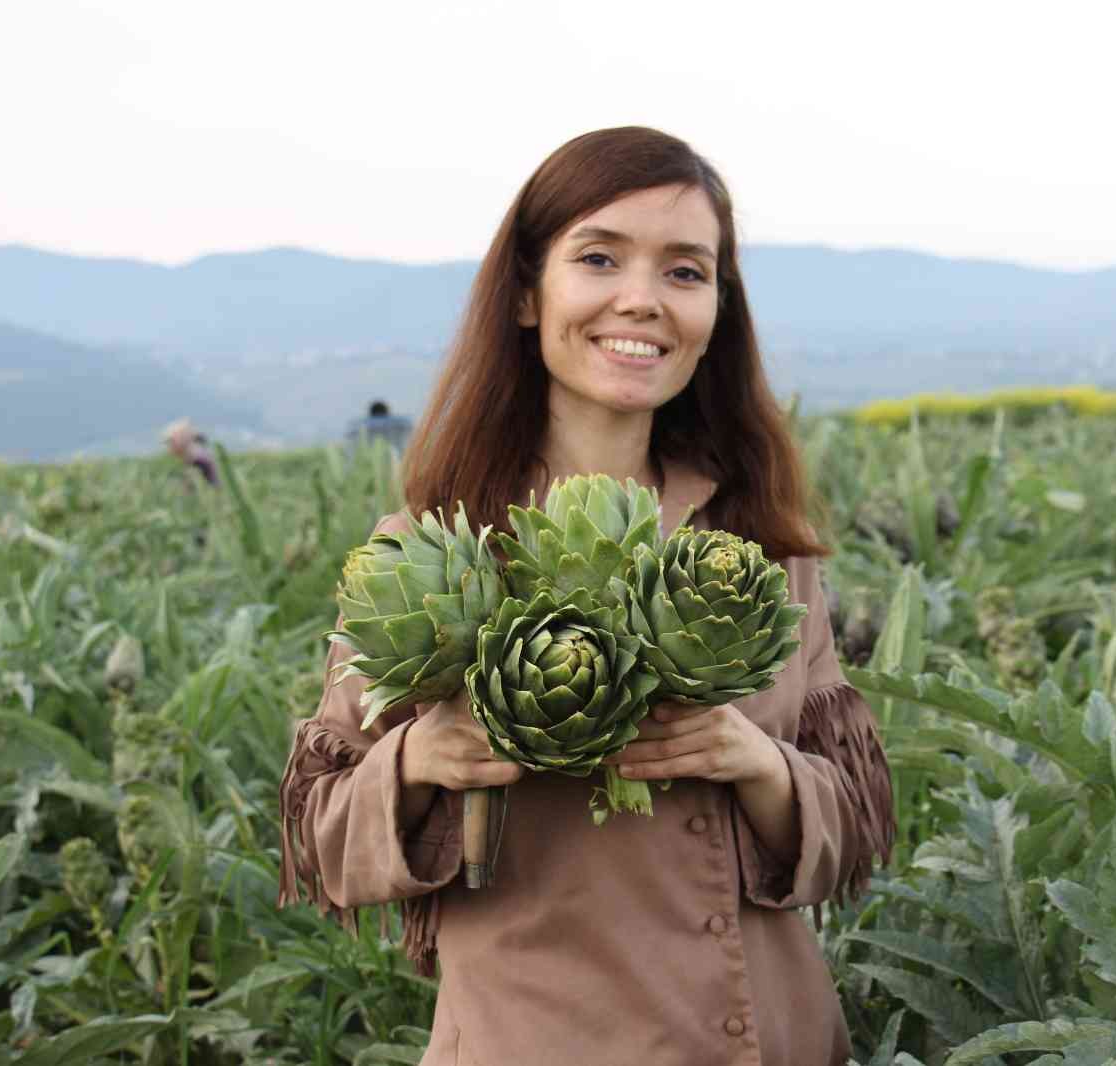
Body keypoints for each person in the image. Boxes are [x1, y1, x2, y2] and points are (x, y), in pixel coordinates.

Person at [277, 127, 894, 1066]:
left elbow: (855, 829)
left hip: (774, 1038)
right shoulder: (428, 556)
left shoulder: (760, 550)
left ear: (718, 310)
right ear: (527, 292)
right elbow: (321, 844)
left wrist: (755, 762)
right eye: (599, 258)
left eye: (687, 272)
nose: (642, 300)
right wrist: (417, 758)